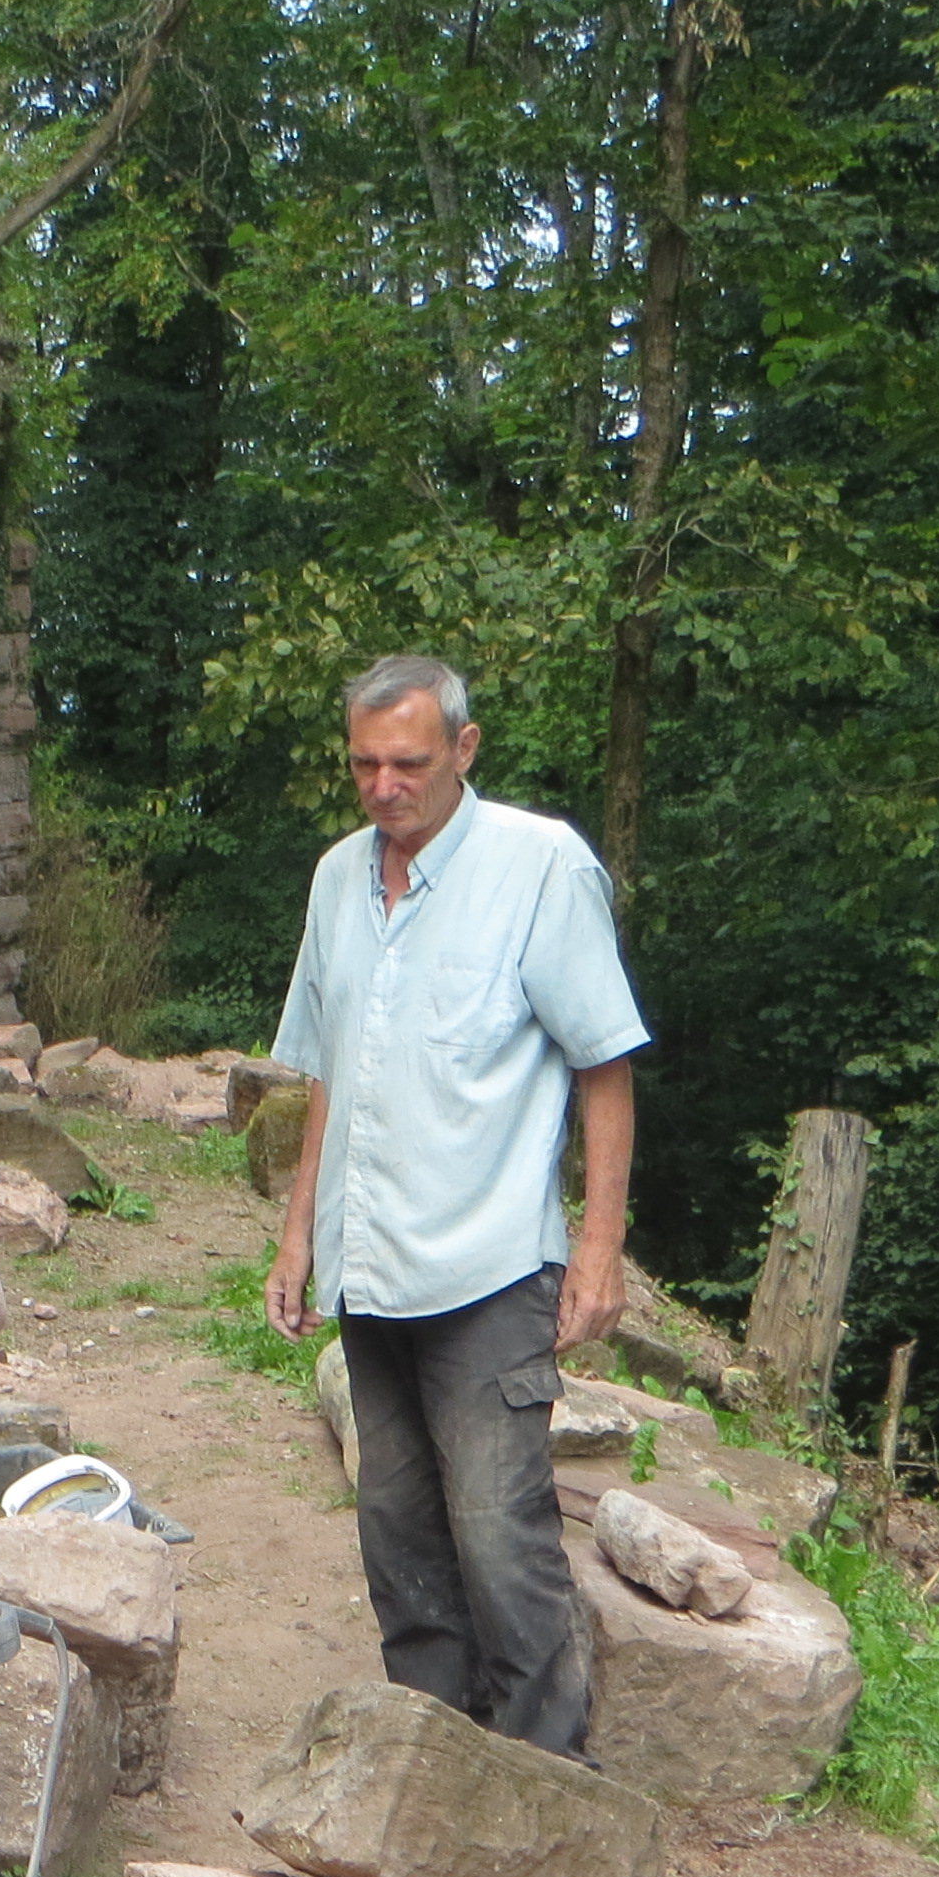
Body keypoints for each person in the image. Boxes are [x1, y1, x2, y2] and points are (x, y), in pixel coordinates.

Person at [263, 654, 649, 1761]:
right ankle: (431, 1764)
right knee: (397, 1538)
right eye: (364, 765)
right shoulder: (337, 879)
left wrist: (599, 1248)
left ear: (464, 749)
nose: (385, 787)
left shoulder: (539, 867)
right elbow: (330, 1068)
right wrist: (299, 1234)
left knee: (498, 1538)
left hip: (488, 1268)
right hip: (370, 1265)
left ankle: (546, 1786)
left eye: (409, 763)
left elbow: (605, 1063)